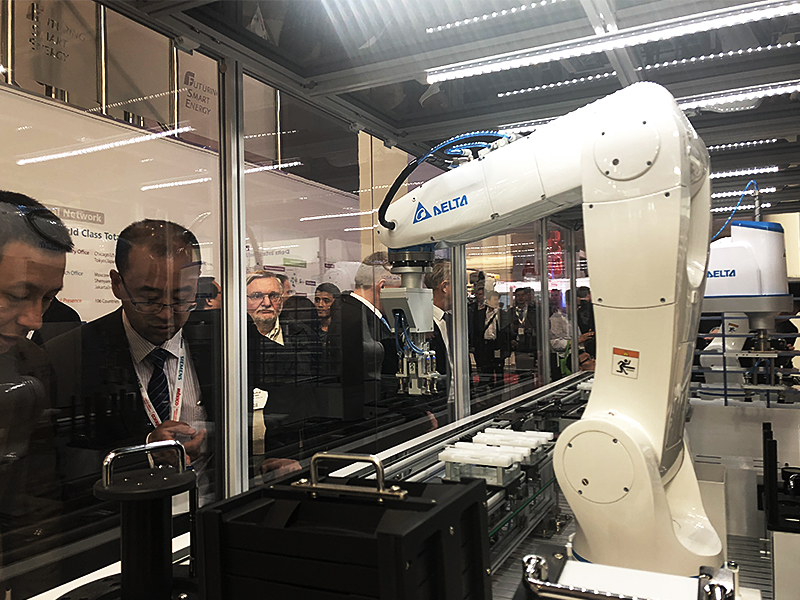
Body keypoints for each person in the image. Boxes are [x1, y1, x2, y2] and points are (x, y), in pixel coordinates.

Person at [47, 220, 217, 501]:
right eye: (149, 299)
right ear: (117, 284)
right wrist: (146, 452)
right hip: (123, 518)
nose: (167, 314)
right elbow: (65, 464)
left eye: (181, 297)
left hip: (214, 510)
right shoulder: (69, 355)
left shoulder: (223, 339)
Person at [0, 191, 72, 593]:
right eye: (16, 295)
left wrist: (39, 591)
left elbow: (35, 503)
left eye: (48, 298)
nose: (35, 319)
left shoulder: (31, 362)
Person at [424, 260, 453, 403]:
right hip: (436, 404)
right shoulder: (421, 323)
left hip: (460, 402)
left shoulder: (453, 321)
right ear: (445, 287)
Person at [509, 287, 537, 379]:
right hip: (517, 345)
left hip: (531, 344)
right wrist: (511, 339)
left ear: (526, 296)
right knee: (520, 371)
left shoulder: (534, 311)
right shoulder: (511, 312)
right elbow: (507, 328)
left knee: (532, 371)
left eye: (522, 295)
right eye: (518, 296)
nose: (520, 298)